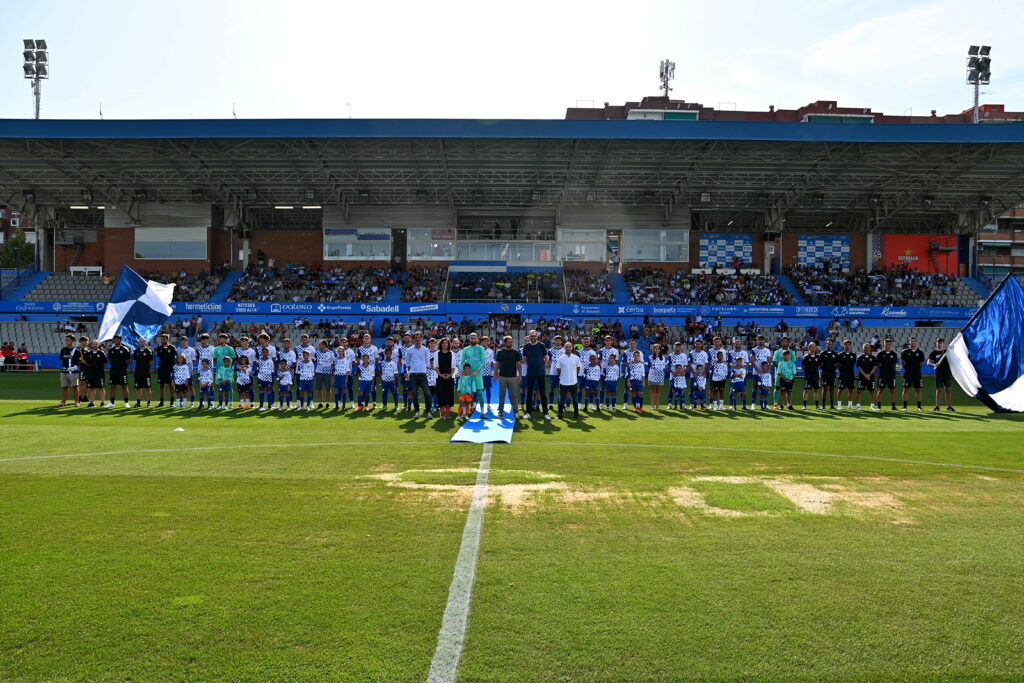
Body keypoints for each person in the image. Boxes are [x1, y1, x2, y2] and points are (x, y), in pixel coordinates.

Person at [521, 330, 550, 420]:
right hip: (530, 372)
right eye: (531, 336)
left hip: (540, 373)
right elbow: (524, 358)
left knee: (542, 392)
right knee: (529, 392)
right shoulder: (526, 346)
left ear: (537, 336)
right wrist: (530, 365)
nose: (533, 337)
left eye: (534, 336)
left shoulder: (541, 345)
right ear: (529, 337)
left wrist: (543, 365)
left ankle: (545, 413)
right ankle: (528, 412)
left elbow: (546, 357)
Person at [494, 335, 522, 418]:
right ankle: (500, 412)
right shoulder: (500, 353)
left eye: (511, 342)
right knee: (501, 395)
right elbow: (497, 364)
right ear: (505, 343)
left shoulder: (515, 353)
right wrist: (495, 373)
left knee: (513, 395)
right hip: (502, 376)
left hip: (513, 377)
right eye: (509, 342)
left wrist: (520, 375)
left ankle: (516, 412)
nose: (510, 343)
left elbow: (519, 364)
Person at [405, 332, 433, 417]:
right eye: (416, 337)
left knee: (427, 393)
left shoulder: (425, 350)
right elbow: (407, 363)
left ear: (421, 339)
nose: (417, 339)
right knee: (414, 394)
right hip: (413, 375)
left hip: (423, 374)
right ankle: (417, 412)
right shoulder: (409, 350)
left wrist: (425, 368)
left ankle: (428, 411)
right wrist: (409, 373)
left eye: (419, 337)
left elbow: (427, 362)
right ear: (414, 339)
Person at [462, 332, 487, 418]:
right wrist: (463, 371)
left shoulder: (481, 349)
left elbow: (482, 361)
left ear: (477, 339)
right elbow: (462, 361)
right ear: (469, 339)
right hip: (467, 375)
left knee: (479, 393)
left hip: (477, 375)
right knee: (465, 393)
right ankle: (464, 413)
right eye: (471, 338)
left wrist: (476, 371)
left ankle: (482, 412)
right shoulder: (465, 349)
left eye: (474, 338)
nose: (473, 339)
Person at [554, 341, 581, 419]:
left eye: (570, 347)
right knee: (561, 398)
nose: (568, 348)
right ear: (564, 348)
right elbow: (558, 369)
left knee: (575, 398)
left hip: (573, 381)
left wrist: (575, 375)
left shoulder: (576, 357)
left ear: (572, 348)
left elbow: (578, 367)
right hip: (563, 382)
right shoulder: (561, 358)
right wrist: (562, 376)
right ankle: (560, 414)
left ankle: (576, 414)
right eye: (567, 347)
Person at [81, 340, 112, 408]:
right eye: (93, 344)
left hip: (99, 374)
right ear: (91, 345)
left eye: (96, 344)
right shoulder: (88, 354)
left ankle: (102, 402)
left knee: (101, 388)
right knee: (91, 388)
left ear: (98, 345)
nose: (95, 345)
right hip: (91, 374)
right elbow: (85, 362)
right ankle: (92, 402)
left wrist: (99, 369)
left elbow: (104, 363)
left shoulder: (101, 353)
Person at [928, 338, 955, 412]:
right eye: (938, 342)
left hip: (948, 374)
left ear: (943, 344)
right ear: (936, 343)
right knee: (939, 390)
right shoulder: (934, 353)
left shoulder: (947, 352)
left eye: (941, 343)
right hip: (939, 374)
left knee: (948, 390)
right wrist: (934, 364)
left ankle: (949, 407)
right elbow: (928, 362)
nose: (939, 344)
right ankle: (937, 407)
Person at [106, 334, 132, 408]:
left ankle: (126, 402)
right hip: (113, 371)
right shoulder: (111, 350)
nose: (116, 340)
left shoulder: (125, 349)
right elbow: (110, 360)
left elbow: (128, 361)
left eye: (118, 339)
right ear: (113, 340)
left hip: (122, 371)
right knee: (113, 386)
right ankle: (112, 402)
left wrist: (123, 368)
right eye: (115, 339)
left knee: (124, 386)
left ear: (120, 340)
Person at [901, 336, 926, 412]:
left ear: (916, 342)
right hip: (908, 374)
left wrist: (916, 370)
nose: (912, 342)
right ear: (909, 342)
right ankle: (904, 407)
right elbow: (902, 363)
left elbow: (922, 364)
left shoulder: (920, 352)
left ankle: (919, 407)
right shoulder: (904, 352)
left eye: (914, 341)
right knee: (906, 389)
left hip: (917, 374)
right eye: (911, 341)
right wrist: (908, 369)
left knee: (918, 390)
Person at [57, 334, 82, 407]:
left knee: (75, 386)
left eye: (68, 340)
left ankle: (77, 402)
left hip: (73, 371)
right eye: (66, 340)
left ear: (72, 341)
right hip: (64, 371)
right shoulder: (63, 350)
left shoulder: (77, 350)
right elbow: (62, 360)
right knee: (65, 387)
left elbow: (79, 361)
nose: (66, 341)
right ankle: (63, 402)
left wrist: (74, 366)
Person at [876, 338, 900, 411]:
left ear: (891, 345)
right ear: (884, 344)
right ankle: (879, 407)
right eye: (886, 344)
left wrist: (893, 372)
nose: (887, 345)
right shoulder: (880, 354)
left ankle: (893, 406)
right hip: (882, 375)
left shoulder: (894, 354)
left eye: (889, 344)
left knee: (892, 390)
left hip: (891, 375)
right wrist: (882, 369)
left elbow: (894, 364)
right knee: (880, 390)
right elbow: (877, 364)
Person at [435, 338, 455, 419]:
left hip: (450, 378)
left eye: (446, 343)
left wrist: (450, 374)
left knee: (449, 395)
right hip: (440, 378)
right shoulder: (437, 353)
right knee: (441, 395)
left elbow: (453, 366)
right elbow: (435, 366)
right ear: (440, 344)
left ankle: (447, 414)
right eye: (443, 343)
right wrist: (440, 374)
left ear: (448, 344)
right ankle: (442, 414)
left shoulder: (452, 353)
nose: (444, 345)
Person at [855, 342, 879, 411]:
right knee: (859, 391)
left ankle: (872, 406)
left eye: (868, 347)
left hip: (871, 377)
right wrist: (865, 375)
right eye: (865, 347)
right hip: (862, 377)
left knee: (872, 391)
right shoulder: (860, 357)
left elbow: (875, 367)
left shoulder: (873, 358)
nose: (866, 349)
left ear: (870, 348)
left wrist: (869, 374)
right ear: (863, 348)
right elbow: (859, 367)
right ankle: (858, 406)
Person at [155, 333, 177, 407]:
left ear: (167, 339)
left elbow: (175, 359)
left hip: (170, 369)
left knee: (171, 386)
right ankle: (162, 402)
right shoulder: (159, 348)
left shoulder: (172, 348)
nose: (163, 340)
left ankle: (172, 403)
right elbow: (159, 357)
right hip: (161, 369)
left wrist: (173, 369)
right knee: (161, 385)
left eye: (164, 339)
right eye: (162, 339)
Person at [132, 338, 154, 408]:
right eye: (140, 341)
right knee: (138, 388)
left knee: (147, 388)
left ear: (145, 342)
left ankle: (149, 403)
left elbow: (151, 362)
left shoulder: (148, 351)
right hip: (138, 372)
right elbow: (135, 361)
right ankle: (138, 403)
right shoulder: (136, 351)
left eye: (143, 341)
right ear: (139, 342)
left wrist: (145, 368)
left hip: (146, 372)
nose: (141, 342)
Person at [313, 340, 335, 409]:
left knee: (328, 389)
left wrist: (332, 375)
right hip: (319, 373)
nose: (319, 346)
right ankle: (321, 403)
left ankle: (328, 403)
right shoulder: (317, 353)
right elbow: (314, 362)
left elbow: (333, 364)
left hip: (327, 373)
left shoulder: (330, 353)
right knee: (319, 389)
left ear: (324, 345)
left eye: (320, 344)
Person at [647, 343, 669, 411]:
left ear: (660, 350)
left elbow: (664, 367)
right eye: (656, 349)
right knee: (652, 391)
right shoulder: (650, 357)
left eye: (658, 349)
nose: (657, 350)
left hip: (660, 376)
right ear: (653, 349)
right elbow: (649, 367)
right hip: (652, 376)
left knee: (658, 391)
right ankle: (652, 405)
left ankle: (657, 406)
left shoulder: (663, 358)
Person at [836, 340, 857, 409]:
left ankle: (850, 405)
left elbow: (853, 364)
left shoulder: (853, 355)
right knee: (840, 389)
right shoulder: (840, 355)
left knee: (851, 389)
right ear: (843, 345)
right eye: (845, 345)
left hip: (850, 375)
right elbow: (837, 365)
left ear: (850, 346)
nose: (847, 346)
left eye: (848, 345)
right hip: (843, 375)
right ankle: (839, 405)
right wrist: (841, 371)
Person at [819, 338, 838, 410]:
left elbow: (838, 363)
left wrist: (834, 368)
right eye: (828, 344)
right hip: (824, 374)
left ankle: (832, 405)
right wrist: (824, 369)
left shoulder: (835, 354)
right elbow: (819, 363)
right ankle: (823, 405)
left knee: (832, 389)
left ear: (832, 345)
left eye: (830, 344)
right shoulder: (822, 353)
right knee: (825, 389)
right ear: (826, 344)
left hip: (832, 374)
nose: (829, 345)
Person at [801, 342, 821, 410]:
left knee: (816, 390)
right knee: (806, 390)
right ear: (809, 348)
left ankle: (817, 406)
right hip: (808, 376)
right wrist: (808, 372)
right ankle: (804, 405)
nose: (813, 348)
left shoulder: (818, 357)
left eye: (814, 346)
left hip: (816, 376)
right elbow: (803, 367)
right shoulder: (806, 357)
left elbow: (818, 366)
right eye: (811, 346)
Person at [332, 345, 352, 410]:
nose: (340, 352)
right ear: (337, 352)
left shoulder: (346, 360)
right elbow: (334, 369)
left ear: (343, 352)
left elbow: (347, 370)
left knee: (344, 390)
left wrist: (346, 378)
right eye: (339, 351)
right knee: (337, 390)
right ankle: (337, 405)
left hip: (343, 376)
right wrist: (333, 378)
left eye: (341, 351)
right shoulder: (335, 360)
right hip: (337, 376)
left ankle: (344, 405)